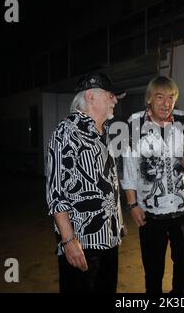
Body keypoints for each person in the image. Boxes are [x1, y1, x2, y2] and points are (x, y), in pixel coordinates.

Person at [46, 72, 126, 293]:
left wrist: (117, 221)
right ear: (90, 97)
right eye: (111, 95)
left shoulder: (106, 132)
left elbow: (107, 181)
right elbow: (56, 194)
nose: (115, 100)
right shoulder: (67, 132)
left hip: (109, 240)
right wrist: (69, 241)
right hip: (82, 244)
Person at [120, 76, 184, 293]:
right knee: (153, 268)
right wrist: (133, 205)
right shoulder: (135, 123)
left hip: (180, 209)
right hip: (150, 212)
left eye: (171, 98)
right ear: (149, 99)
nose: (166, 103)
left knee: (182, 265)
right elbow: (129, 169)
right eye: (160, 97)